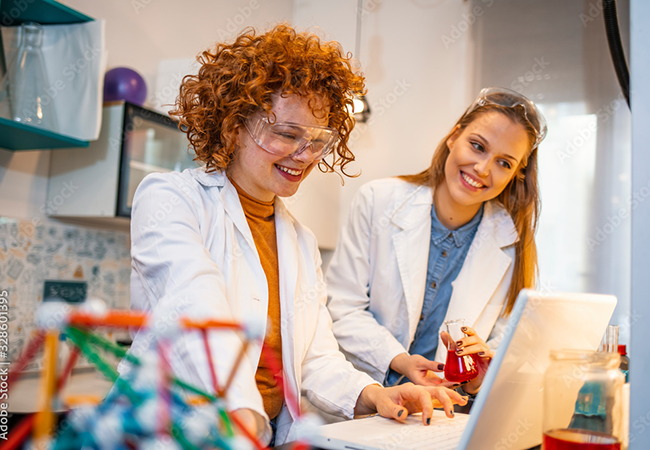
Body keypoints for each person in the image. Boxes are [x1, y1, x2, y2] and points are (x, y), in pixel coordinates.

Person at [121, 25, 466, 447]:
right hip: (173, 435)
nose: (304, 156)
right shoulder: (171, 198)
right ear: (232, 126)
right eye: (286, 134)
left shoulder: (299, 241)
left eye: (317, 140)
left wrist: (375, 394)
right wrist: (244, 418)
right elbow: (198, 317)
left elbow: (317, 359)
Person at [326, 87, 547, 398]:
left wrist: (480, 372)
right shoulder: (378, 201)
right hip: (365, 399)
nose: (483, 169)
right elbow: (343, 308)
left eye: (504, 163)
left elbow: (507, 340)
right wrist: (400, 362)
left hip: (448, 411)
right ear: (454, 137)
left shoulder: (512, 240)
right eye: (477, 146)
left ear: (516, 174)